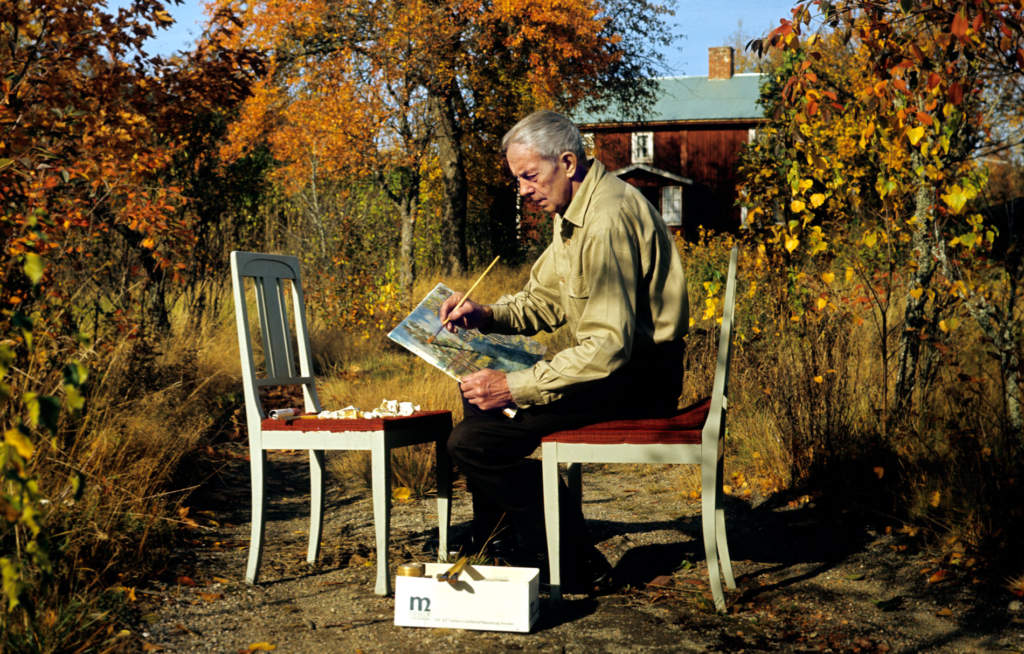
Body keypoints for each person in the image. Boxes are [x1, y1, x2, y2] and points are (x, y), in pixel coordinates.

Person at [440, 110, 688, 592]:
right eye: (517, 179)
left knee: (473, 443)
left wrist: (515, 385)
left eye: (529, 176)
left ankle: (571, 559)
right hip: (616, 368)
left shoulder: (606, 220)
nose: (523, 190)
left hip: (639, 378)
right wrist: (485, 313)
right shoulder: (572, 213)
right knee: (475, 397)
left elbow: (606, 349)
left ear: (568, 162)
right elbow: (544, 301)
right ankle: (506, 542)